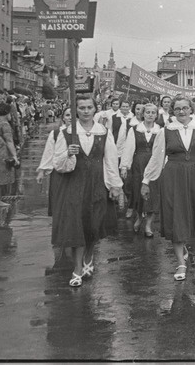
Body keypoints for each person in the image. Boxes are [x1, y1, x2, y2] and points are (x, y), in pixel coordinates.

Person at [141, 97, 195, 280]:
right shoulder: (165, 131)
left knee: (191, 216)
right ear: (172, 111)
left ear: (191, 110)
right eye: (177, 109)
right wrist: (146, 180)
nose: (182, 112)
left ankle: (184, 248)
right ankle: (181, 263)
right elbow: (156, 158)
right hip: (173, 177)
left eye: (185, 108)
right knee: (176, 216)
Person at [52, 95, 125, 287]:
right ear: (76, 110)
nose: (85, 111)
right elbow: (58, 164)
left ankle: (89, 256)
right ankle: (77, 268)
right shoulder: (66, 133)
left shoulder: (103, 132)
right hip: (74, 184)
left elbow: (110, 160)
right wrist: (68, 153)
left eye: (89, 107)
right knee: (76, 225)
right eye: (81, 108)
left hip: (97, 183)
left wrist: (114, 185)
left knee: (93, 224)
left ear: (95, 109)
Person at [121, 103, 162, 238]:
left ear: (156, 115)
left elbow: (163, 150)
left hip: (155, 164)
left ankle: (148, 224)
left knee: (153, 194)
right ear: (142, 114)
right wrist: (125, 166)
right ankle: (139, 217)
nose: (150, 115)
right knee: (139, 194)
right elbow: (128, 148)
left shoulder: (160, 130)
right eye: (147, 112)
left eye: (153, 112)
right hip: (139, 164)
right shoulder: (135, 129)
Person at [36, 109, 72, 217]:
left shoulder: (84, 133)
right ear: (63, 118)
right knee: (59, 202)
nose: (70, 117)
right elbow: (49, 152)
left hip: (76, 171)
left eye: (73, 115)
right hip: (59, 172)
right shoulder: (56, 133)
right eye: (67, 115)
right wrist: (42, 171)